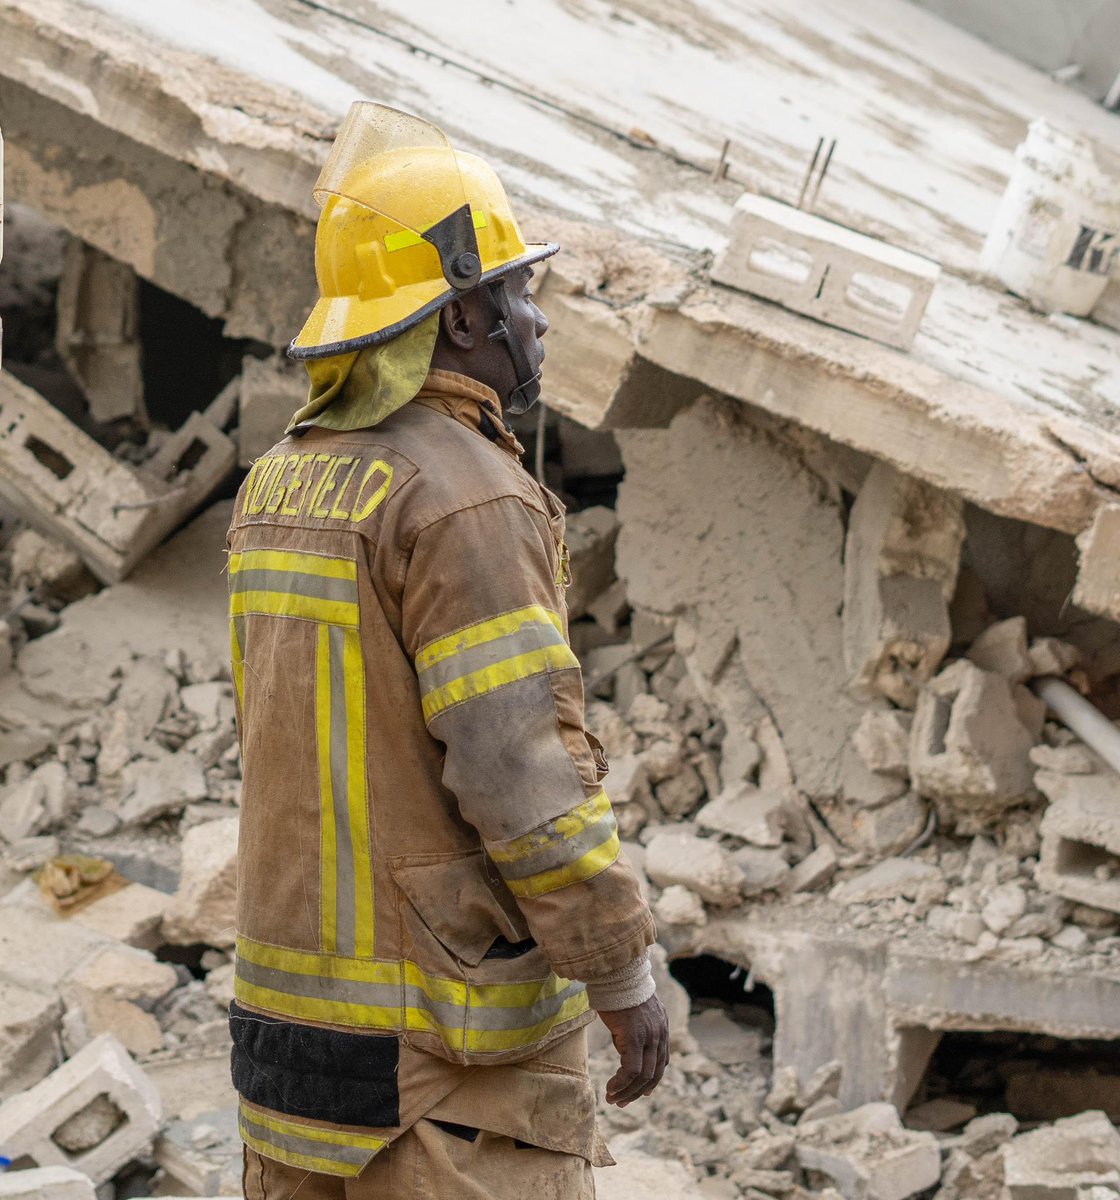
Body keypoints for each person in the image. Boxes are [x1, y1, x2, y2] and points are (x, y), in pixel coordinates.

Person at [226, 101, 668, 1200]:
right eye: (516, 291)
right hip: (439, 1068)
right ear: (460, 315)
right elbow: (519, 771)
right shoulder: (465, 496)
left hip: (288, 1052)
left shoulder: (282, 479)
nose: (538, 320)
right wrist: (621, 971)